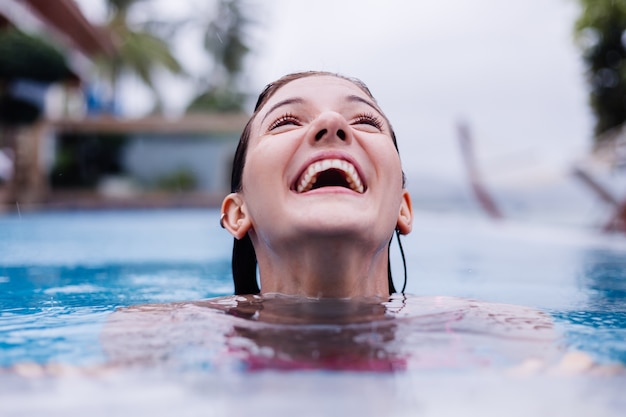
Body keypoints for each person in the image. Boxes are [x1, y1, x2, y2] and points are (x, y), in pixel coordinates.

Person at [101, 71, 585, 373]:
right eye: (287, 121)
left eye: (366, 122)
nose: (331, 127)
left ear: (403, 207)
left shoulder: (506, 329)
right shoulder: (152, 331)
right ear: (237, 212)